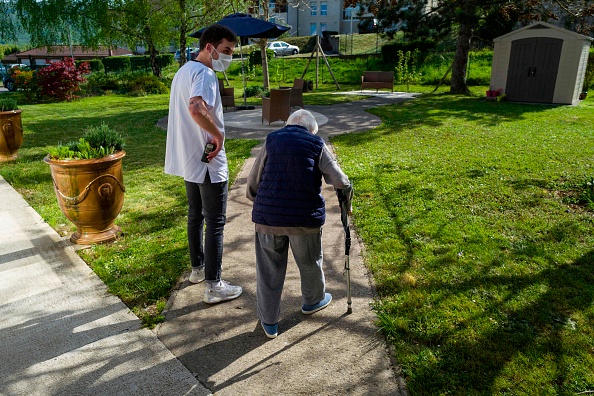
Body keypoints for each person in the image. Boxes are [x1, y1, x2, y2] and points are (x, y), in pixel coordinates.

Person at [246, 109, 353, 338]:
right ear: (312, 129)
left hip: (268, 219)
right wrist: (347, 203)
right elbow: (341, 181)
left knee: (268, 271)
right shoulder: (316, 143)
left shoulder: (272, 140)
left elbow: (254, 179)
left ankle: (269, 322)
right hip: (304, 220)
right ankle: (313, 301)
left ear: (288, 125)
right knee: (310, 261)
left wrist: (258, 199)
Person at [165, 24, 242, 304]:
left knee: (195, 216)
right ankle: (214, 285)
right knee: (216, 222)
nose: (228, 56)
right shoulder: (206, 73)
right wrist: (218, 134)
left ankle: (198, 270)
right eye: (225, 50)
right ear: (209, 47)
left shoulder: (183, 71)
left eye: (231, 52)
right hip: (208, 160)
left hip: (190, 160)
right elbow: (196, 107)